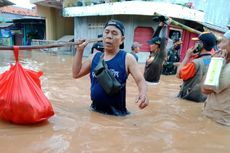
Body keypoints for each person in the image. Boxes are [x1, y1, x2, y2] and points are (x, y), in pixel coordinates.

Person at [72, 19, 149, 116]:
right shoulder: (94, 57)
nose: (109, 36)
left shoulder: (127, 58)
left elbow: (140, 80)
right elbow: (76, 73)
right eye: (106, 32)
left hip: (117, 115)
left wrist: (143, 93)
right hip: (95, 111)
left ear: (122, 39)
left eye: (114, 33)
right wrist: (79, 50)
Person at [176, 32, 217, 102]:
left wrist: (187, 57)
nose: (195, 45)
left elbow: (178, 74)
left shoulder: (195, 63)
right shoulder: (214, 60)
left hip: (188, 99)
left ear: (201, 44)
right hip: (203, 99)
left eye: (197, 42)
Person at [202, 30, 230, 126]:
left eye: (223, 42)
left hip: (219, 122)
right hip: (215, 119)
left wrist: (214, 63)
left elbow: (205, 89)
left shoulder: (228, 68)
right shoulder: (226, 63)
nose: (219, 46)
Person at [144, 16, 168, 84]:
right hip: (145, 82)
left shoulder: (161, 55)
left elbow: (163, 38)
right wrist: (160, 26)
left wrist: (165, 26)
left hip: (154, 84)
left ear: (157, 46)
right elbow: (154, 37)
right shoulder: (152, 52)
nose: (150, 45)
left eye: (152, 44)